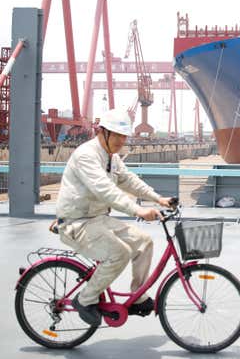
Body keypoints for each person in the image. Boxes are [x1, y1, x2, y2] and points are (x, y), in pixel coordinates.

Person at [55, 108, 176, 326]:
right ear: (102, 132)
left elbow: (129, 181)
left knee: (143, 242)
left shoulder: (112, 157)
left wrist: (158, 199)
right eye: (117, 135)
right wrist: (137, 210)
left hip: (98, 218)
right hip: (77, 222)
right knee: (120, 253)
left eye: (124, 136)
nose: (122, 140)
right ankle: (85, 299)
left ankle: (137, 295)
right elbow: (105, 190)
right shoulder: (86, 155)